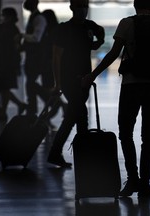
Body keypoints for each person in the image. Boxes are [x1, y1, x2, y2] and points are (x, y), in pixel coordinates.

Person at [83, 0, 150, 197]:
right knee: (149, 135)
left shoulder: (126, 23)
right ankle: (145, 183)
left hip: (131, 85)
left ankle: (132, 178)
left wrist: (93, 75)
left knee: (126, 133)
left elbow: (113, 54)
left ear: (135, 4)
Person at [47, 0, 105, 167]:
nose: (82, 9)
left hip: (85, 79)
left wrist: (98, 42)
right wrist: (57, 83)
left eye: (85, 6)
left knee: (76, 116)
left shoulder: (89, 26)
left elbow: (100, 32)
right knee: (78, 115)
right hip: (69, 80)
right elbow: (56, 57)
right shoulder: (64, 29)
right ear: (72, 7)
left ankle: (64, 153)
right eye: (79, 6)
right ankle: (79, 155)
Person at [0, 7, 27, 121]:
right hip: (5, 62)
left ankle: (3, 112)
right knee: (4, 88)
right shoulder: (11, 29)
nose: (2, 17)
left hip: (5, 63)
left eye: (4, 15)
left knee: (4, 88)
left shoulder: (7, 29)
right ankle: (18, 105)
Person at [21, 0, 47, 117]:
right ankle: (32, 108)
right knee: (30, 83)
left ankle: (33, 108)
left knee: (30, 83)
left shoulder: (38, 18)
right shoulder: (34, 17)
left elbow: (36, 38)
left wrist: (22, 36)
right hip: (33, 56)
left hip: (36, 57)